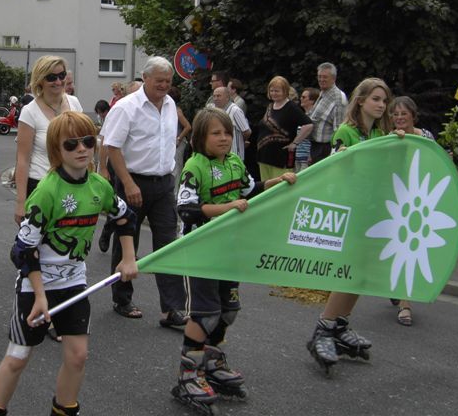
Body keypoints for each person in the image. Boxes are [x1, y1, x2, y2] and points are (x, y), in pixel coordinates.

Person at [0, 112, 138, 416]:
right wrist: (40, 296)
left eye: (88, 141)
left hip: (73, 283)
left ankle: (64, 411)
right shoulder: (47, 192)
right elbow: (23, 251)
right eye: (71, 144)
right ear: (56, 151)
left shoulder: (99, 186)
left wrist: (129, 258)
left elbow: (125, 218)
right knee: (18, 356)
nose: (81, 149)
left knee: (78, 356)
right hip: (36, 284)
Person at [174, 108, 296, 408]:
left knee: (229, 310)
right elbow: (186, 209)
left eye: (227, 132)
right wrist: (226, 208)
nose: (224, 138)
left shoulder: (234, 162)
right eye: (216, 133)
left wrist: (277, 181)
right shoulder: (195, 166)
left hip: (229, 248)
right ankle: (188, 373)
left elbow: (249, 189)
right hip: (200, 249)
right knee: (205, 313)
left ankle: (212, 362)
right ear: (201, 137)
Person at [307, 77, 400, 369]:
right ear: (360, 101)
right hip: (353, 214)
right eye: (376, 99)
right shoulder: (346, 132)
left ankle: (340, 325)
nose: (381, 105)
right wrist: (342, 159)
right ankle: (324, 327)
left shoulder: (381, 135)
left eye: (384, 101)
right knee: (348, 274)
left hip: (375, 214)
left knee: (360, 275)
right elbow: (335, 170)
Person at [101, 56, 187, 325]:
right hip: (132, 181)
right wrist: (127, 183)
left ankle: (172, 308)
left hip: (163, 183)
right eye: (159, 80)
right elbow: (112, 147)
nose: (164, 85)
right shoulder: (127, 107)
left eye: (168, 81)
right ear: (145, 78)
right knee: (127, 240)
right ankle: (122, 298)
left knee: (168, 243)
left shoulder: (171, 104)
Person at [14, 56, 83, 225]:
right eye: (51, 77)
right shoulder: (30, 112)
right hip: (41, 185)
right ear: (40, 81)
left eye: (62, 75)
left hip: (73, 184)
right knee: (37, 245)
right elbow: (22, 160)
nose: (58, 81)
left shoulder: (74, 103)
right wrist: (20, 202)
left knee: (70, 242)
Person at [387, 95, 435, 327]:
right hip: (397, 202)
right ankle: (402, 298)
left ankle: (402, 298)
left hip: (420, 203)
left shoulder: (426, 137)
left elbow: (434, 164)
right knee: (400, 250)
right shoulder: (390, 139)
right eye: (395, 114)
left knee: (410, 251)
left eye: (403, 114)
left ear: (413, 116)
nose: (398, 118)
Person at [255, 76, 312, 181]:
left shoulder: (291, 107)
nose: (274, 93)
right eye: (271, 90)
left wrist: (295, 143)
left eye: (277, 91)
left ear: (285, 91)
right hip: (264, 156)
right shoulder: (270, 106)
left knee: (280, 187)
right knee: (266, 187)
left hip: (281, 158)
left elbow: (308, 125)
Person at [308, 62, 347, 165]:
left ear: (333, 78)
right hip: (315, 147)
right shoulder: (324, 92)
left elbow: (339, 129)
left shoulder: (338, 99)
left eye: (325, 77)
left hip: (326, 149)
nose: (321, 80)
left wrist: (334, 154)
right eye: (319, 76)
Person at [211, 86, 250, 160]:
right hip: (220, 154)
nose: (215, 99)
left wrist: (242, 141)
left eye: (218, 96)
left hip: (234, 155)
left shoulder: (235, 110)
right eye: (214, 96)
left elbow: (246, 131)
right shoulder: (214, 110)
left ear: (227, 97)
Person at [295, 87, 320, 171]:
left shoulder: (314, 117)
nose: (300, 99)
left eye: (304, 97)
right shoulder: (302, 116)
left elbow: (314, 137)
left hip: (306, 158)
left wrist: (310, 154)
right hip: (297, 156)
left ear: (312, 101)